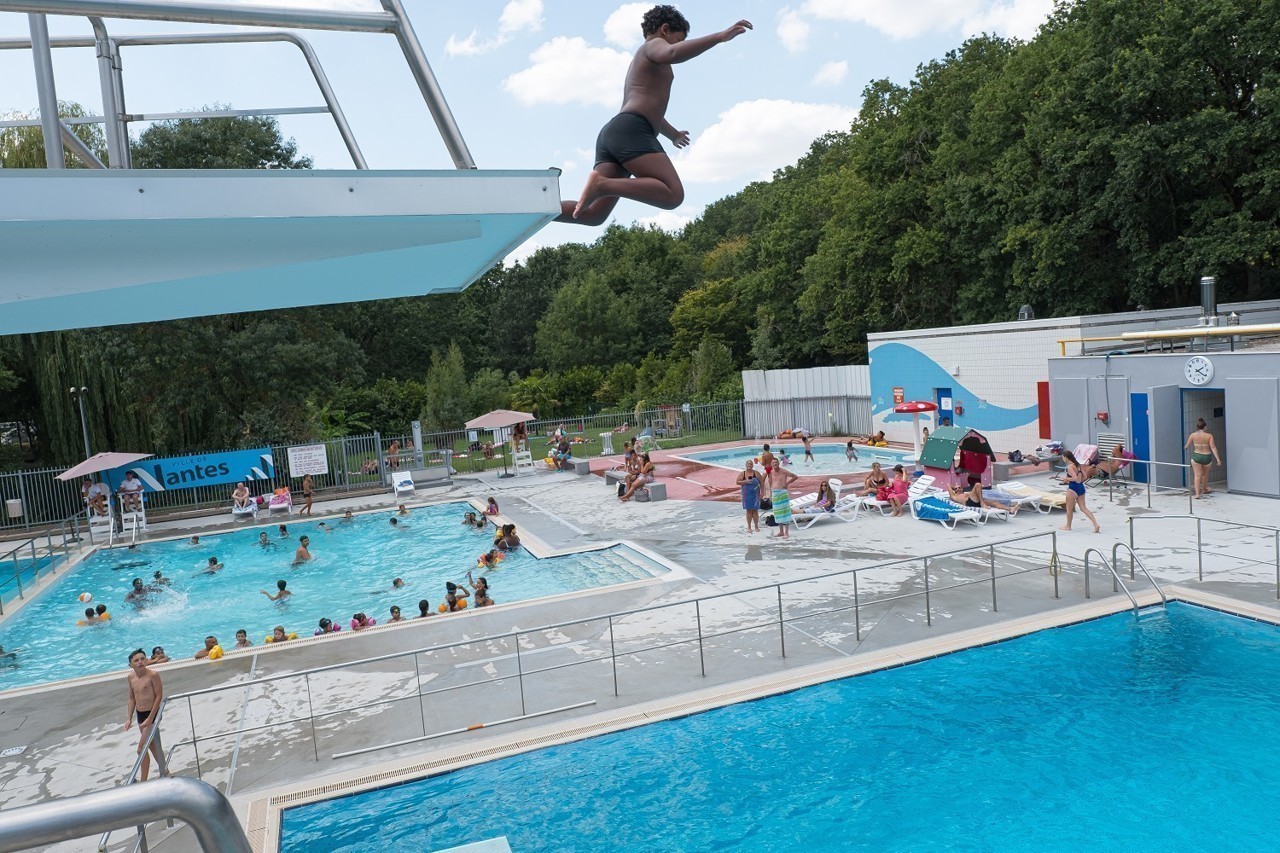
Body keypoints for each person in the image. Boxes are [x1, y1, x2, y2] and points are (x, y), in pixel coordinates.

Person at [560, 6, 753, 225]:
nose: (678, 47)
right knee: (672, 194)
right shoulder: (653, 45)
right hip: (631, 130)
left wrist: (673, 134)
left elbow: (653, 112)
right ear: (665, 30)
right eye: (677, 40)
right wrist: (719, 37)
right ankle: (602, 184)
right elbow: (671, 53)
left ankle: (535, 209)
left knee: (593, 215)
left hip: (617, 133)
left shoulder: (641, 62)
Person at [125, 649, 168, 781]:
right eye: (136, 660)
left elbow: (159, 696)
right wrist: (129, 718)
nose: (140, 662)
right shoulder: (131, 677)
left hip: (152, 713)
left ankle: (144, 781)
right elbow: (132, 698)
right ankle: (166, 772)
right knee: (152, 746)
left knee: (141, 749)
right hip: (140, 714)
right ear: (130, 665)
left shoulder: (153, 675)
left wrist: (151, 718)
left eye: (142, 659)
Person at [1059, 450, 1100, 533]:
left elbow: (1074, 478)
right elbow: (1085, 476)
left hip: (1073, 489)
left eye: (1063, 457)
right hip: (1081, 487)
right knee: (1083, 508)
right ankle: (1096, 524)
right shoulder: (1078, 465)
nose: (1062, 459)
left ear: (1066, 457)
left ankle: (1068, 526)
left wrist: (1066, 479)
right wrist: (1078, 480)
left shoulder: (1070, 467)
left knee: (1069, 509)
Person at [1184, 418, 1221, 499]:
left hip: (1197, 456)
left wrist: (1185, 447)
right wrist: (1218, 459)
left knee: (1197, 476)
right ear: (1205, 427)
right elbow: (1213, 447)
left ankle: (1197, 494)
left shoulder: (1193, 435)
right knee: (1205, 475)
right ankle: (1204, 489)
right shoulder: (1209, 436)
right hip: (1207, 456)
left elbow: (1187, 446)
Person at [949, 474, 1018, 515]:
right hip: (969, 502)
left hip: (975, 501)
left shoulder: (965, 493)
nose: (958, 489)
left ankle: (1010, 509)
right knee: (978, 484)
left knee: (994, 502)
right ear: (954, 490)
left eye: (959, 487)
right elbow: (948, 485)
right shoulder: (955, 496)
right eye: (956, 488)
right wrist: (954, 489)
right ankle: (982, 503)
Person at [769, 466, 798, 539]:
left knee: (785, 512)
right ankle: (781, 531)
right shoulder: (771, 472)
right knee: (777, 512)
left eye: (776, 462)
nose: (775, 464)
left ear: (778, 463)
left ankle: (786, 532)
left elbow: (795, 476)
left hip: (782, 492)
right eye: (773, 463)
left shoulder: (783, 471)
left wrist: (787, 483)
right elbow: (770, 484)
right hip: (775, 493)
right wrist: (770, 494)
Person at [737, 459, 763, 534]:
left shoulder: (756, 473)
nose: (749, 465)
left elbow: (761, 483)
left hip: (755, 495)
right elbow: (737, 482)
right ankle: (749, 526)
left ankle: (756, 526)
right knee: (748, 510)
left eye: (750, 464)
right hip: (746, 495)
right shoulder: (743, 474)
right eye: (748, 464)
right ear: (746, 465)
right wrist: (746, 481)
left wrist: (762, 493)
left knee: (755, 510)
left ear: (752, 465)